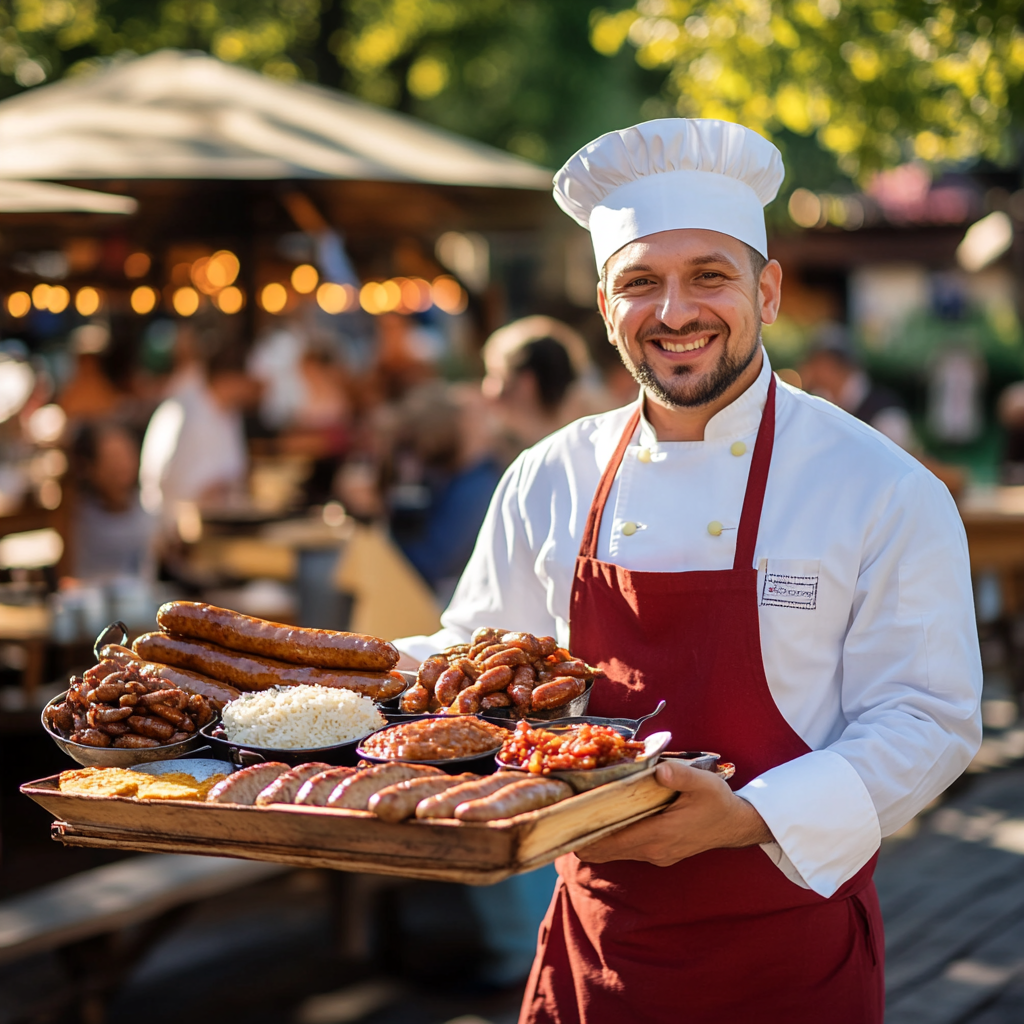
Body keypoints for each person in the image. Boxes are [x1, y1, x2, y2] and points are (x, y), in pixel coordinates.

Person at [393, 119, 981, 1022]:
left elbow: (928, 716)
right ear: (603, 305)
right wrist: (343, 677)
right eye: (640, 282)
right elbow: (477, 657)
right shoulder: (548, 477)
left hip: (787, 949)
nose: (674, 312)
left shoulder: (880, 486)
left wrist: (748, 816)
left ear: (769, 290)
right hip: (596, 946)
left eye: (710, 275)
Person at [139, 340, 252, 528]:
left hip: (223, 521)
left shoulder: (232, 415)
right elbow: (161, 478)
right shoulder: (181, 409)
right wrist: (202, 490)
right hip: (177, 527)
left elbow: (236, 467)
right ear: (230, 380)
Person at [797, 323, 916, 449]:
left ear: (831, 365)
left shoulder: (885, 411)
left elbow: (900, 459)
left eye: (815, 362)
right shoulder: (823, 403)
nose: (809, 369)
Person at [69, 421, 156, 580]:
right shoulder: (76, 517)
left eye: (126, 455)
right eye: (112, 459)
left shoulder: (151, 508)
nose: (121, 466)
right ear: (90, 467)